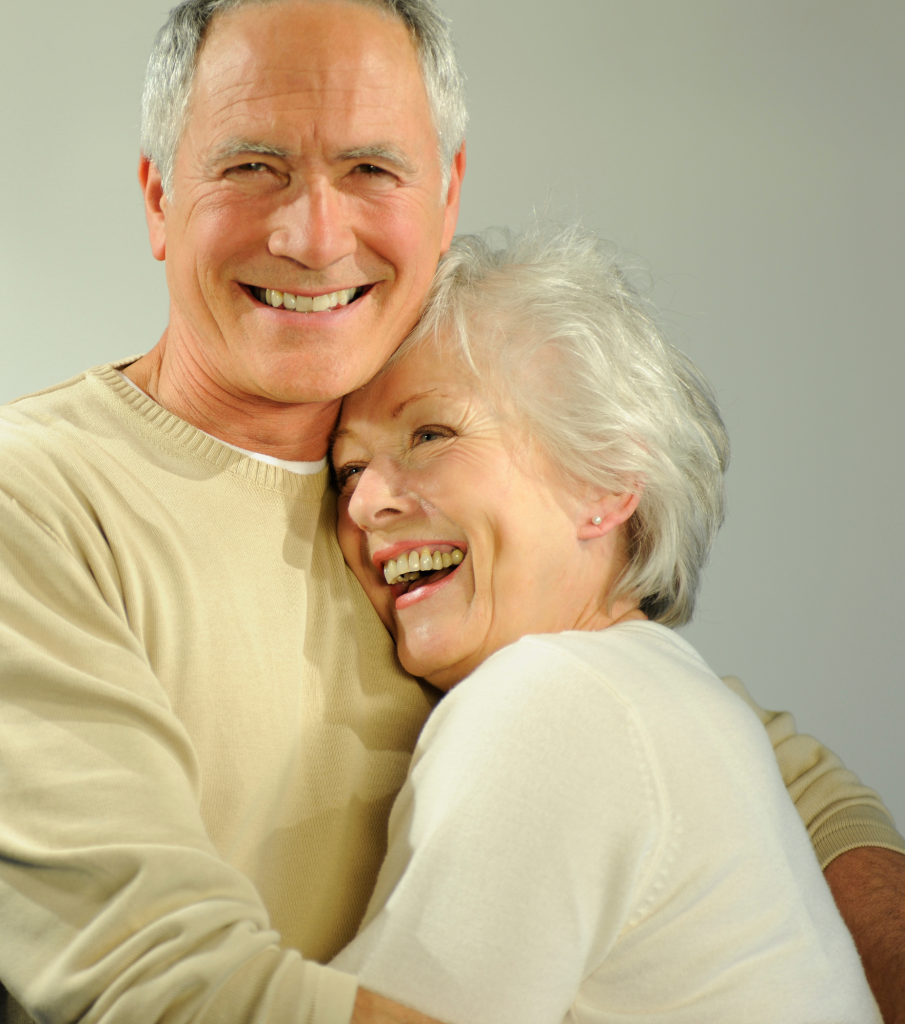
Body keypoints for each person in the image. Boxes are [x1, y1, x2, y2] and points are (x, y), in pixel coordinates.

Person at [0, 1, 901, 1022]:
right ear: (158, 197)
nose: (313, 236)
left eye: (370, 168)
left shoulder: (447, 530)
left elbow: (756, 773)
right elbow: (166, 986)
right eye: (252, 166)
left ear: (445, 197)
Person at [327, 226, 881, 1020]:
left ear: (607, 480)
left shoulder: (552, 698)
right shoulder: (663, 689)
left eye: (431, 434)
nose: (365, 503)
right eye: (348, 469)